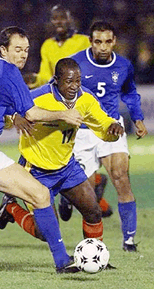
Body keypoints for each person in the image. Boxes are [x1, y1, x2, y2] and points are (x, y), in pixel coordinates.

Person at [0, 26, 86, 274]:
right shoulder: (7, 71)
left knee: (40, 194)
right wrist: (64, 114)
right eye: (17, 49)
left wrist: (13, 116)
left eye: (26, 50)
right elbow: (32, 112)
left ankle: (62, 262)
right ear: (3, 50)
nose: (23, 54)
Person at [0, 58, 124, 261]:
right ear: (56, 80)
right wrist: (13, 117)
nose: (74, 87)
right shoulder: (38, 97)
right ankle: (10, 208)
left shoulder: (86, 99)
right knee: (45, 233)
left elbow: (103, 123)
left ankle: (96, 260)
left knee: (94, 212)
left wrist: (113, 129)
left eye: (78, 81)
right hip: (35, 171)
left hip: (67, 167)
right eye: (69, 82)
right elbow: (4, 112)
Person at [60, 21, 148, 252]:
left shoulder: (123, 65)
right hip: (83, 132)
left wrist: (137, 119)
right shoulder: (76, 63)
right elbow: (56, 90)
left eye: (108, 41)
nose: (103, 47)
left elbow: (129, 93)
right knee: (87, 196)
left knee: (121, 178)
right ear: (90, 42)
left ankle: (128, 241)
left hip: (111, 128)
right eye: (98, 41)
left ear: (114, 41)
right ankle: (92, 247)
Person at [24, 3, 112, 216]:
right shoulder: (47, 46)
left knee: (79, 165)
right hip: (60, 105)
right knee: (41, 150)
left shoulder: (83, 42)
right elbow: (47, 76)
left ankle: (84, 197)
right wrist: (34, 79)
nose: (59, 22)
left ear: (71, 19)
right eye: (55, 18)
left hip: (86, 104)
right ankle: (95, 198)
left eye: (63, 17)